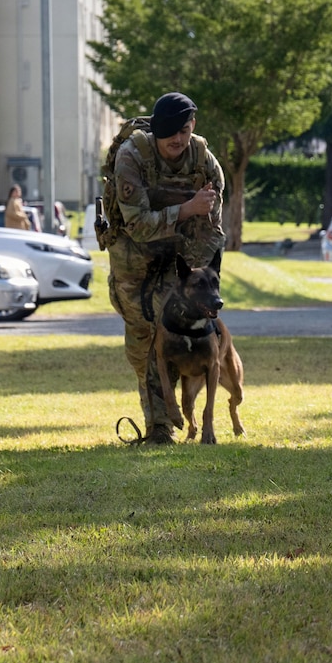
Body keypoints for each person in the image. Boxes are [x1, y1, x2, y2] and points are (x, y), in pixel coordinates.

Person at [108, 91, 224, 444]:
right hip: (134, 261)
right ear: (157, 130)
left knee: (172, 332)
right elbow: (138, 224)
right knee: (143, 343)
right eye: (171, 132)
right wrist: (187, 209)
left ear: (193, 127)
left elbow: (213, 229)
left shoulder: (203, 160)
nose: (178, 139)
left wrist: (199, 276)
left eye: (185, 130)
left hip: (180, 259)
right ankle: (158, 422)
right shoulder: (132, 157)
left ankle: (162, 428)